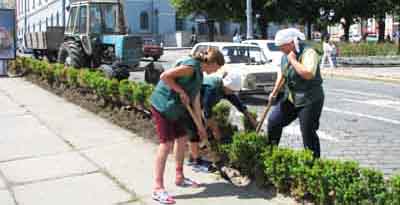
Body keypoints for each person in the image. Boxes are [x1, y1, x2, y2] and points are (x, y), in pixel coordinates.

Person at [150, 47, 225, 204]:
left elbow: (196, 101)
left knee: (183, 138)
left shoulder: (199, 75)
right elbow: (165, 77)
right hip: (163, 105)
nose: (217, 70)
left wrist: (200, 126)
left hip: (177, 108)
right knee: (166, 144)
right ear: (211, 62)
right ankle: (158, 188)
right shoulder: (191, 67)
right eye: (217, 67)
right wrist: (180, 91)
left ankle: (179, 177)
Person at [267, 28, 324, 158]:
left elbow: (308, 74)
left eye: (283, 47)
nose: (281, 50)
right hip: (291, 98)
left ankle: (313, 164)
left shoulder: (309, 52)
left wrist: (293, 60)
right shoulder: (285, 56)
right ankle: (270, 154)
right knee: (273, 121)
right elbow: (282, 74)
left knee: (308, 132)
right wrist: (274, 93)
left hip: (310, 99)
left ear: (292, 42)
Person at [187, 72, 258, 172]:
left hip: (200, 106)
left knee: (205, 130)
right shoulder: (212, 89)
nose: (233, 93)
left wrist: (250, 118)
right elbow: (207, 112)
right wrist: (214, 129)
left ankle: (197, 153)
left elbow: (238, 104)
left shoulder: (226, 89)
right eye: (232, 91)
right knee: (197, 130)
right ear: (227, 86)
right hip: (189, 105)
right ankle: (194, 160)